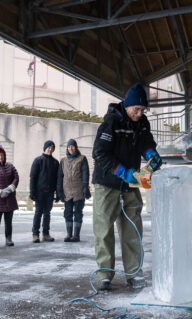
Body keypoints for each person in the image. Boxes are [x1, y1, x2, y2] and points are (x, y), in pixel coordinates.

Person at [92, 83, 161, 291]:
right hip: (108, 183)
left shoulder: (142, 123)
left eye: (143, 110)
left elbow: (146, 142)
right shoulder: (111, 123)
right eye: (136, 110)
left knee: (132, 228)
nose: (140, 114)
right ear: (128, 105)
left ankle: (134, 272)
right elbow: (100, 153)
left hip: (131, 184)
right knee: (104, 229)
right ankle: (104, 274)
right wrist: (121, 171)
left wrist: (150, 153)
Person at [57, 138, 90, 242]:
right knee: (68, 213)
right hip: (67, 191)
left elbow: (85, 174)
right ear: (67, 148)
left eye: (72, 146)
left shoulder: (82, 159)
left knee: (78, 213)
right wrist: (59, 191)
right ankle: (69, 234)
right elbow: (60, 177)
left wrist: (85, 187)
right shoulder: (63, 161)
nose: (71, 148)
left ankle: (76, 235)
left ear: (76, 148)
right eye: (69, 146)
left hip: (79, 191)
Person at [29, 140, 59, 243]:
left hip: (50, 192)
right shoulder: (38, 160)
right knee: (38, 213)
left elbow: (57, 179)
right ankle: (35, 234)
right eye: (49, 147)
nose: (50, 149)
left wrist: (57, 193)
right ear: (45, 148)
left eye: (52, 148)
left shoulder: (55, 162)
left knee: (47, 213)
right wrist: (32, 191)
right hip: (39, 192)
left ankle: (46, 233)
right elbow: (33, 177)